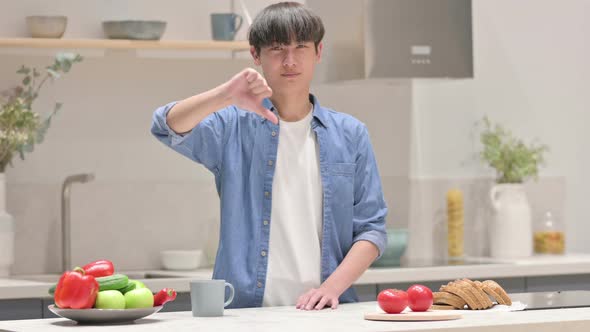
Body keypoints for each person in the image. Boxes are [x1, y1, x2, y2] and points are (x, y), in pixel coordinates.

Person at [151, 2, 387, 310]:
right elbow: (165, 125)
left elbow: (371, 228)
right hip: (246, 312)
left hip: (326, 313)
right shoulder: (232, 125)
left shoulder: (351, 133)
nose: (290, 60)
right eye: (277, 49)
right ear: (255, 55)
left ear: (318, 51)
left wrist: (331, 288)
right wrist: (225, 94)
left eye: (300, 46)